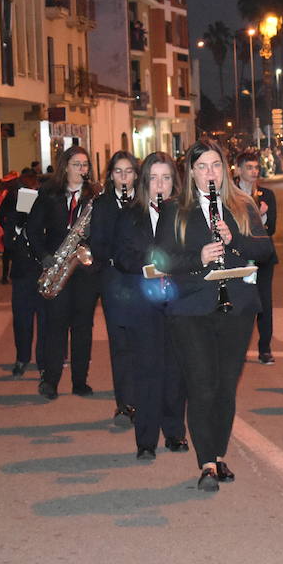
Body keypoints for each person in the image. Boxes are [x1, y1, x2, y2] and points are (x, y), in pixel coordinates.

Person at [153, 140, 272, 491]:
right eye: (202, 166)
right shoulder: (176, 210)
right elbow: (161, 261)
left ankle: (218, 455)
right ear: (190, 172)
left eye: (216, 166)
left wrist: (234, 240)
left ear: (225, 170)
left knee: (225, 388)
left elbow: (265, 250)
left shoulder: (242, 205)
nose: (210, 173)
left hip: (236, 306)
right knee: (202, 386)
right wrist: (198, 259)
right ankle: (206, 463)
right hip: (191, 309)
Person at [109, 152, 188, 457]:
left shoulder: (184, 212)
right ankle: (145, 440)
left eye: (166, 178)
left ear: (174, 181)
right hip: (143, 302)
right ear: (144, 182)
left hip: (178, 302)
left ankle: (175, 433)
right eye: (154, 177)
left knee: (175, 372)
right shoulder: (130, 213)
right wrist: (148, 264)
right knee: (147, 371)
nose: (160, 185)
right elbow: (122, 255)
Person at [27, 146, 100, 399]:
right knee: (55, 326)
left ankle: (80, 381)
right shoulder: (49, 194)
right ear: (65, 166)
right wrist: (44, 257)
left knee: (83, 327)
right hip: (58, 265)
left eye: (85, 165)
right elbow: (32, 230)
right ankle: (51, 380)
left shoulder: (96, 195)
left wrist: (94, 237)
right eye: (77, 164)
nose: (83, 169)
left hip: (86, 271)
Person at [87, 151, 142, 424]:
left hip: (142, 279)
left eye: (129, 171)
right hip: (115, 279)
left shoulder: (145, 202)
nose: (124, 177)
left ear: (136, 174)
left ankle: (146, 397)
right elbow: (96, 244)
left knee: (144, 341)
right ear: (110, 175)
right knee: (120, 344)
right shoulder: (103, 205)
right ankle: (125, 403)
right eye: (118, 172)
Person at [235, 149, 279, 365]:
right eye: (249, 167)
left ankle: (265, 348)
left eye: (256, 168)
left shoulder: (267, 195)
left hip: (263, 258)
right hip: (239, 257)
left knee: (264, 303)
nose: (254, 171)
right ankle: (238, 348)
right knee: (240, 303)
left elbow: (272, 228)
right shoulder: (230, 195)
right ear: (238, 169)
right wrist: (255, 216)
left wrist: (261, 217)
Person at [5, 171, 45, 377]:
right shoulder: (16, 207)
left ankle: (43, 360)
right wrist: (20, 223)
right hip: (22, 270)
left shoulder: (46, 204)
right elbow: (9, 239)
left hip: (42, 269)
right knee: (22, 318)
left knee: (45, 318)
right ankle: (22, 358)